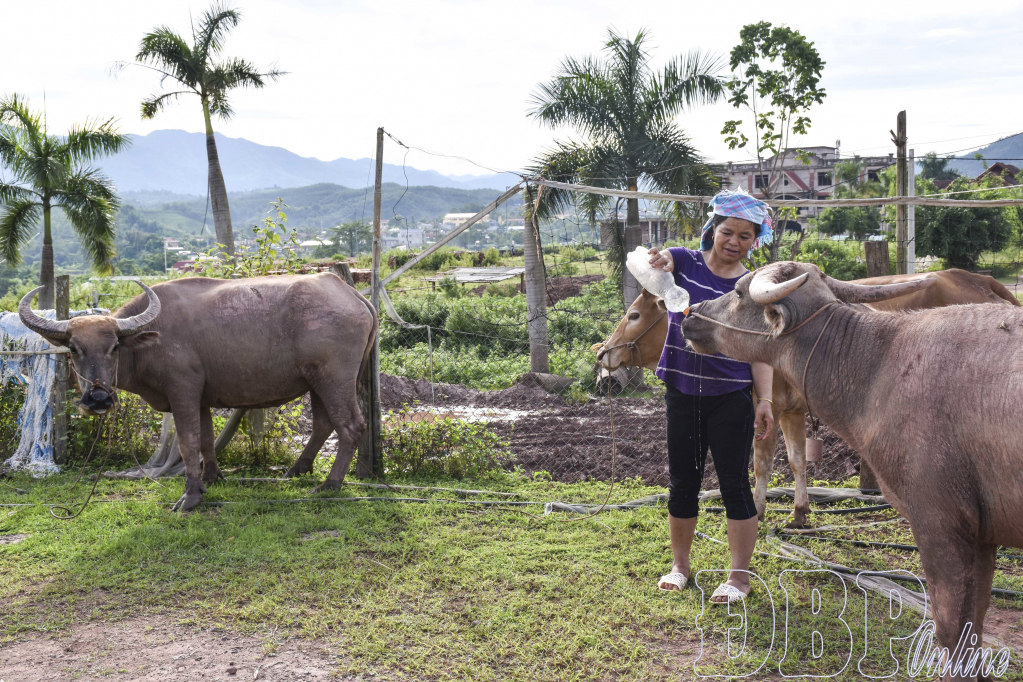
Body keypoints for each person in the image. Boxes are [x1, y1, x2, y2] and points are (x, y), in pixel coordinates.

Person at [648, 189, 775, 605]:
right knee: (682, 483)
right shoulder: (685, 262)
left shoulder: (752, 288)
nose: (734, 241)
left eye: (744, 235)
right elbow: (663, 261)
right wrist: (659, 260)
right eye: (727, 232)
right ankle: (680, 566)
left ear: (755, 240)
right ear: (712, 230)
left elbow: (760, 349)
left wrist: (765, 400)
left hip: (730, 396)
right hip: (682, 392)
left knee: (734, 484)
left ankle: (739, 578)